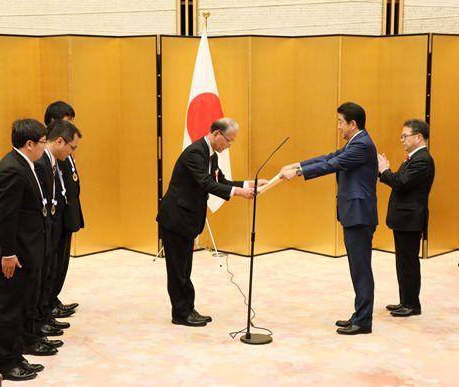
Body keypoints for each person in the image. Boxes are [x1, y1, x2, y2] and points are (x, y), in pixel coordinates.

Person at [157, 117, 266, 327]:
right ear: (216, 134)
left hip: (187, 219)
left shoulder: (210, 154)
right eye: (228, 140)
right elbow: (205, 183)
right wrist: (240, 193)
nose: (229, 145)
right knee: (178, 270)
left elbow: (220, 181)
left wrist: (248, 183)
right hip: (176, 219)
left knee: (185, 269)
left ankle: (188, 308)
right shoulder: (195, 153)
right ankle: (180, 313)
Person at [280, 102, 378, 335]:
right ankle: (359, 314)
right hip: (353, 213)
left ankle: (363, 321)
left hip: (359, 214)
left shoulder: (362, 145)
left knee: (361, 268)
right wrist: (299, 164)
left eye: (340, 122)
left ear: (352, 124)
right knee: (357, 267)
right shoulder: (355, 141)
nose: (338, 127)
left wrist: (299, 173)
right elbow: (329, 156)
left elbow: (334, 164)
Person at [0, 119, 48, 381]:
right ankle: (5, 363)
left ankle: (16, 354)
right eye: (43, 142)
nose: (44, 147)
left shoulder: (24, 164)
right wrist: (8, 254)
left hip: (25, 250)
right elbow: (5, 216)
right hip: (14, 254)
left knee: (20, 305)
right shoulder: (12, 169)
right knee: (8, 308)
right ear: (29, 143)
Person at [378, 119, 435, 317]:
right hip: (404, 219)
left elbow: (400, 182)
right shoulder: (413, 158)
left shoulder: (422, 160)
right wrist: (387, 171)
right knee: (403, 262)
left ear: (418, 137)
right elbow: (400, 180)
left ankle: (412, 304)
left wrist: (384, 170)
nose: (401, 139)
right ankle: (405, 301)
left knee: (409, 263)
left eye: (405, 136)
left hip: (410, 220)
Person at [44, 101, 83, 318]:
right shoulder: (48, 150)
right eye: (67, 122)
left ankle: (53, 298)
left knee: (62, 261)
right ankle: (47, 302)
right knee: (52, 262)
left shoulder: (66, 148)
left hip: (67, 213)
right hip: (55, 215)